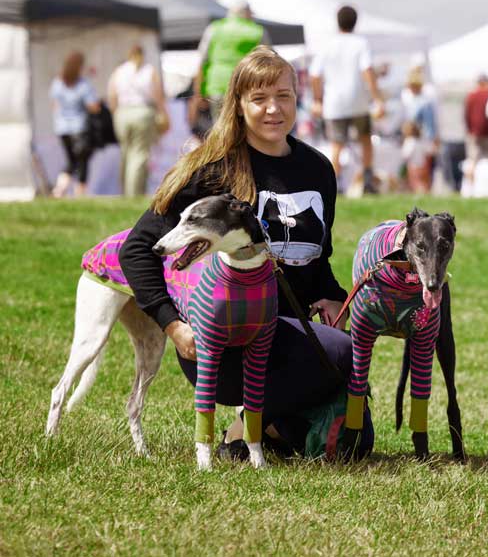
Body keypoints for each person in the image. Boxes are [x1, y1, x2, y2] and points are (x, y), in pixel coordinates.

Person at [120, 46, 373, 458]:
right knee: (341, 353)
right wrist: (173, 326)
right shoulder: (211, 169)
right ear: (238, 105)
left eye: (284, 96)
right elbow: (136, 251)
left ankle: (271, 426)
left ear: (298, 97)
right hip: (222, 343)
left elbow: (316, 258)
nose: (274, 109)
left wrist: (330, 294)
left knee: (354, 445)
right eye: (259, 99)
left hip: (288, 338)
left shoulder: (318, 169)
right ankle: (240, 430)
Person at [309, 5, 385, 190]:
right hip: (358, 101)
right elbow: (367, 70)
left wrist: (318, 100)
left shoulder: (327, 44)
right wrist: (377, 99)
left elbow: (315, 74)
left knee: (337, 145)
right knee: (366, 141)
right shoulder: (360, 43)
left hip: (334, 103)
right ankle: (367, 181)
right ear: (355, 22)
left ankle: (333, 185)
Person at [190, 0, 269, 137]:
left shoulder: (214, 29)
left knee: (220, 129)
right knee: (246, 130)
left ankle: (223, 156)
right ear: (247, 14)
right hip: (247, 87)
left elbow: (202, 62)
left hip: (217, 87)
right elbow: (269, 63)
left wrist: (198, 93)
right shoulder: (257, 31)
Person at [107, 44, 169, 196]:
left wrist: (116, 114)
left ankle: (125, 191)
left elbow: (111, 95)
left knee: (126, 152)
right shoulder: (149, 70)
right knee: (139, 155)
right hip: (143, 112)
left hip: (122, 113)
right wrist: (164, 114)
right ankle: (133, 193)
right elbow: (158, 96)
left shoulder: (119, 71)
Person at [50, 51, 101, 198]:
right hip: (79, 128)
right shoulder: (82, 84)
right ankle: (80, 193)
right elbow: (93, 106)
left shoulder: (57, 83)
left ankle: (59, 190)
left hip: (62, 128)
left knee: (71, 162)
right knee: (82, 162)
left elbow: (54, 105)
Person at [464, 74, 488, 177]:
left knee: (472, 160)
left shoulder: (471, 95)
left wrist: (470, 130)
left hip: (474, 133)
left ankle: (470, 185)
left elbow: (466, 115)